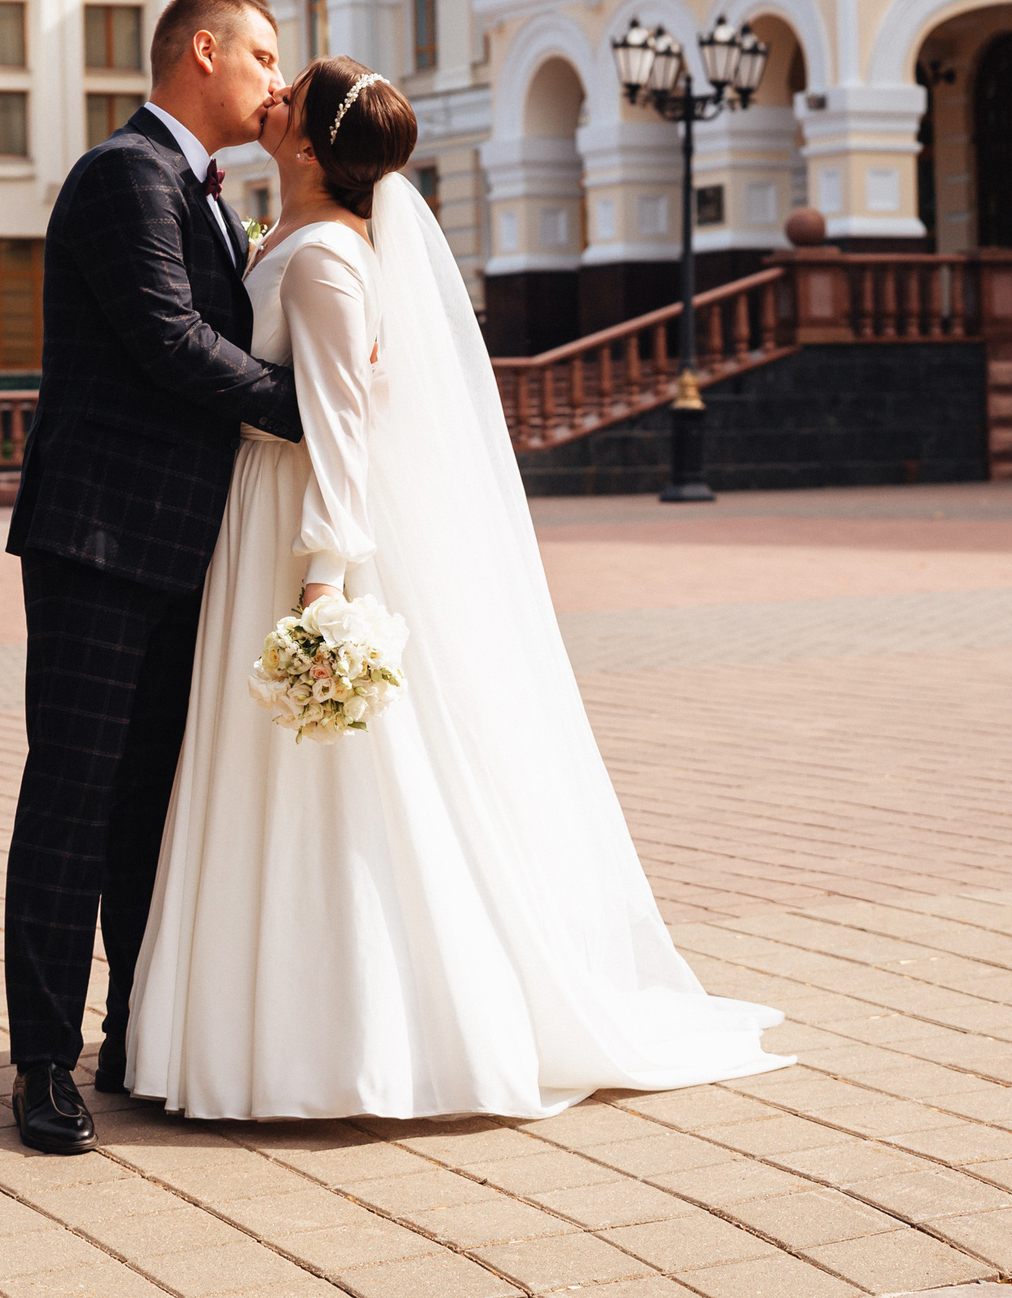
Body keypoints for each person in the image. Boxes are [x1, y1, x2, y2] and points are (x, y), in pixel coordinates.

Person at [125, 58, 789, 1121]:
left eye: (291, 93)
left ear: (309, 146)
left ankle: (348, 1041)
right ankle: (252, 1030)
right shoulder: (294, 235)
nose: (272, 95)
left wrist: (323, 580)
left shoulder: (327, 259)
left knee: (331, 779)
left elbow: (342, 428)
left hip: (297, 524)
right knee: (268, 770)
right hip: (257, 508)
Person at [1, 0, 300, 1155]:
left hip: (183, 544)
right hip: (101, 537)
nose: (277, 81)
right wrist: (313, 411)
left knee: (148, 806)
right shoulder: (125, 174)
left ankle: (130, 1032)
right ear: (204, 51)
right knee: (73, 800)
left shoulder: (205, 194)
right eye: (264, 56)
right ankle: (42, 1063)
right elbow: (170, 340)